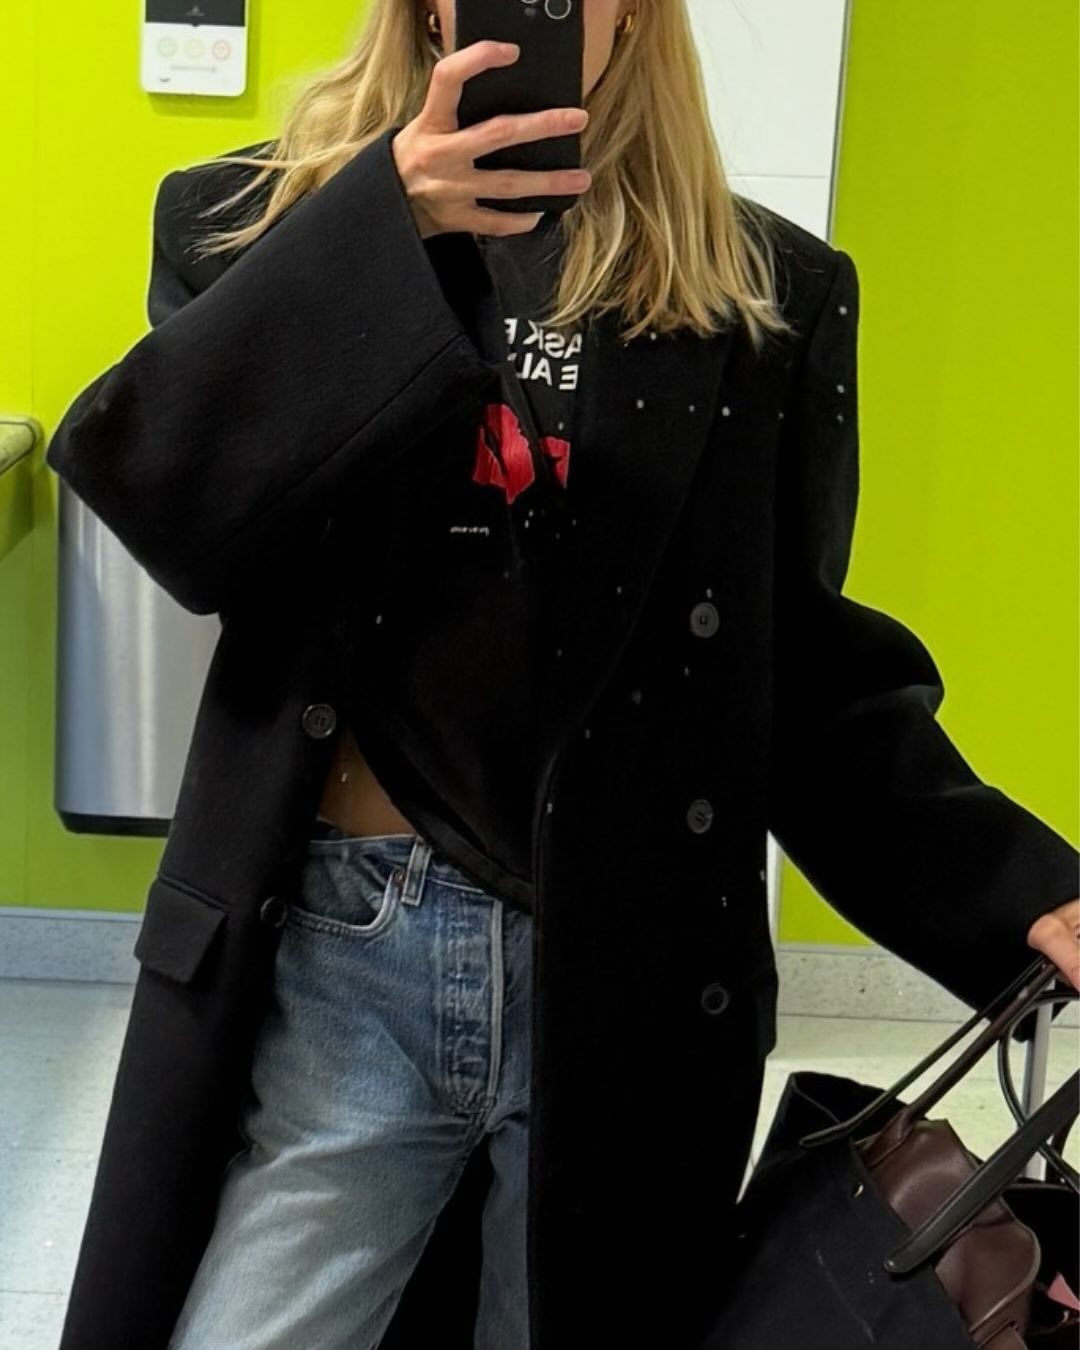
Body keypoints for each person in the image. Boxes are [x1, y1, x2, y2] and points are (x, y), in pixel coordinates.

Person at [46, 2, 1080, 1348]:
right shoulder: (252, 226)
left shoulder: (761, 296)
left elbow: (800, 675)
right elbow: (160, 494)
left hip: (627, 972)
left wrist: (1017, 889)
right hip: (343, 955)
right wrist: (388, 228)